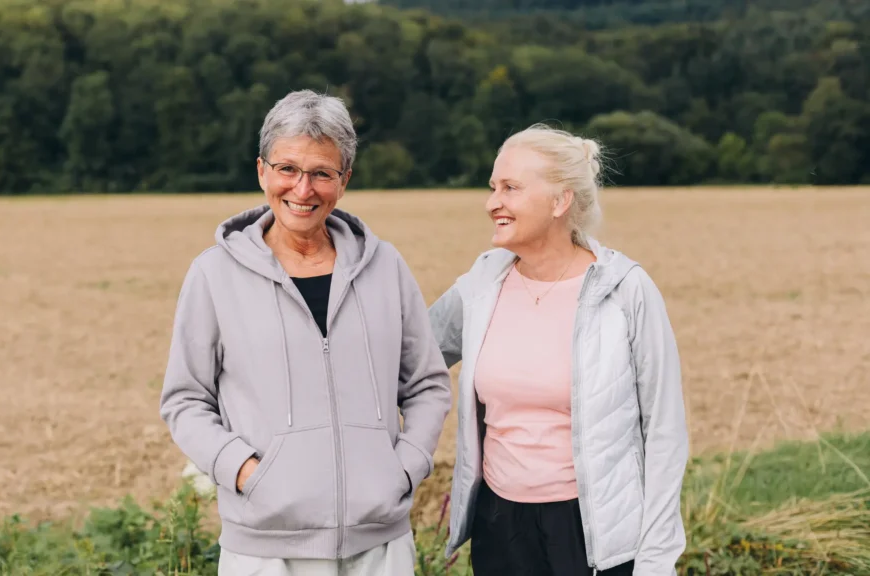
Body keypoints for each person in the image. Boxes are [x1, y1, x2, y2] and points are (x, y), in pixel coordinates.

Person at [159, 89, 452, 575]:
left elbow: (426, 383)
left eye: (322, 173)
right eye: (288, 169)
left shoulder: (385, 267)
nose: (303, 189)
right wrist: (247, 473)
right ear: (262, 171)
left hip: (379, 547)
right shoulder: (214, 275)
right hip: (266, 550)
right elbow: (185, 400)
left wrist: (404, 468)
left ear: (345, 180)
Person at [428, 124, 688, 575]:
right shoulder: (480, 285)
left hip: (592, 534)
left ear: (559, 200)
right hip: (500, 527)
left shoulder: (625, 291)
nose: (493, 203)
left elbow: (665, 430)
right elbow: (405, 363)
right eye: (493, 187)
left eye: (510, 188)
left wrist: (656, 559)